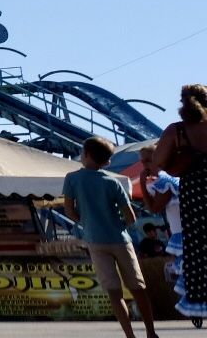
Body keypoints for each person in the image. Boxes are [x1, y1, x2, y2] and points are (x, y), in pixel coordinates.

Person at [64, 136, 159, 338]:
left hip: (95, 241)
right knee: (137, 289)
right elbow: (130, 217)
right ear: (107, 161)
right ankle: (151, 332)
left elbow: (69, 211)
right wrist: (117, 225)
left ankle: (130, 335)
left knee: (114, 293)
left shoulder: (72, 179)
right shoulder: (112, 182)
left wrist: (86, 223)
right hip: (120, 239)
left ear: (86, 154)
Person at [148, 83, 207, 319]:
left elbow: (157, 164)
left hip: (195, 196)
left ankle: (200, 300)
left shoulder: (177, 131)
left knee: (197, 248)